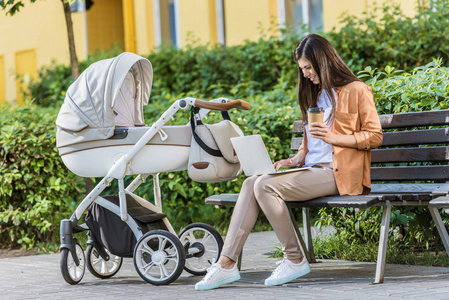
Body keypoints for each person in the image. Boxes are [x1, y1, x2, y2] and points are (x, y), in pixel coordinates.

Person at [195, 33, 383, 291]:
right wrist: (296, 158)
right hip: (312, 170)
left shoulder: (356, 90)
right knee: (252, 182)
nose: (305, 74)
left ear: (323, 61)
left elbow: (374, 136)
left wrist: (335, 137)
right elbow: (311, 143)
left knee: (264, 186)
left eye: (308, 67)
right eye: (302, 69)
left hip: (337, 173)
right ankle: (226, 263)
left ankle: (294, 257)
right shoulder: (314, 96)